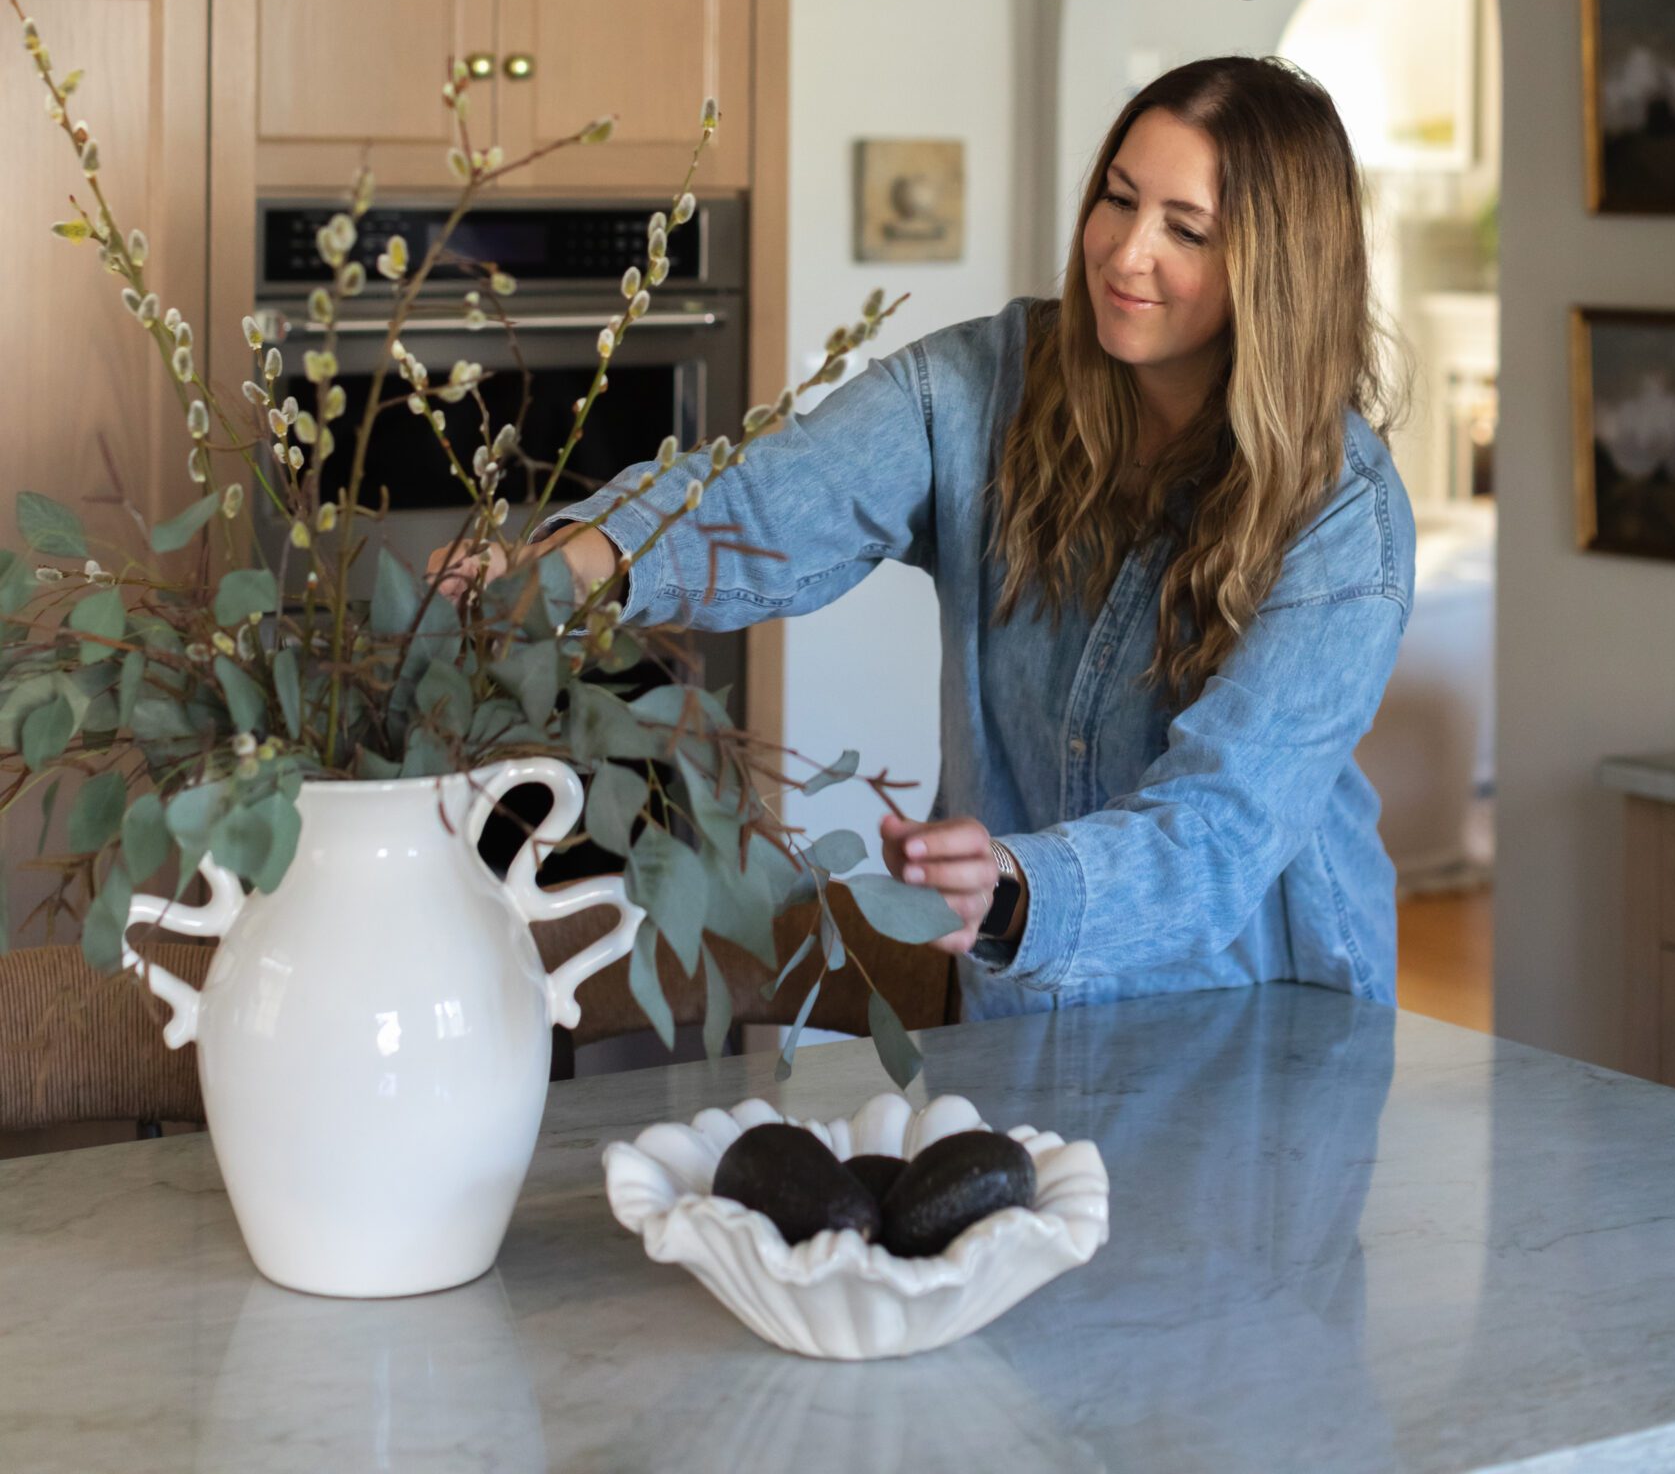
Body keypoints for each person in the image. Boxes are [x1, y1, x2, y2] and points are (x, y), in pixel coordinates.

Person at [431, 55, 1415, 1020]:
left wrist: (1016, 883)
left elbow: (1221, 829)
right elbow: (778, 497)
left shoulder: (1340, 515)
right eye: (1117, 200)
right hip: (1017, 998)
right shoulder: (988, 388)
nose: (1124, 253)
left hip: (1259, 1016)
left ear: (1274, 267)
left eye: (1185, 229)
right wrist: (569, 569)